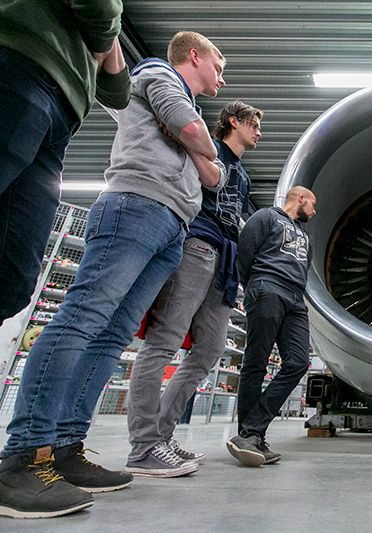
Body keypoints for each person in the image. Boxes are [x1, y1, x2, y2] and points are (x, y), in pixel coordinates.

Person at [0, 31, 227, 518]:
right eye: (219, 64)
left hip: (173, 223)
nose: (222, 75)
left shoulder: (183, 101)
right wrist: (193, 141)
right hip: (137, 205)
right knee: (82, 320)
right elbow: (196, 138)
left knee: (113, 336)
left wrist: (194, 143)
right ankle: (24, 454)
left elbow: (216, 175)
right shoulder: (157, 74)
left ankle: (65, 448)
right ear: (195, 56)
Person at [125, 101, 262, 477]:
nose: (259, 132)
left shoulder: (243, 175)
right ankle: (143, 445)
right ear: (233, 121)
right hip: (197, 246)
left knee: (211, 349)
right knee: (164, 340)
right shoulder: (207, 151)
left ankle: (162, 436)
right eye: (254, 124)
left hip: (225, 259)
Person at [0, 0, 130, 326]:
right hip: (19, 65)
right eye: (217, 67)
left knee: (12, 277)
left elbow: (118, 91)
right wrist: (103, 28)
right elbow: (102, 11)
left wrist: (104, 30)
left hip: (63, 114)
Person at [227, 186, 317, 467]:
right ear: (300, 198)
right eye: (313, 204)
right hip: (267, 287)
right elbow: (244, 255)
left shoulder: (305, 236)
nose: (314, 211)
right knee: (256, 363)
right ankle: (252, 436)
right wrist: (254, 287)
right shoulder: (266, 217)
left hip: (295, 298)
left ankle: (250, 431)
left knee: (299, 362)